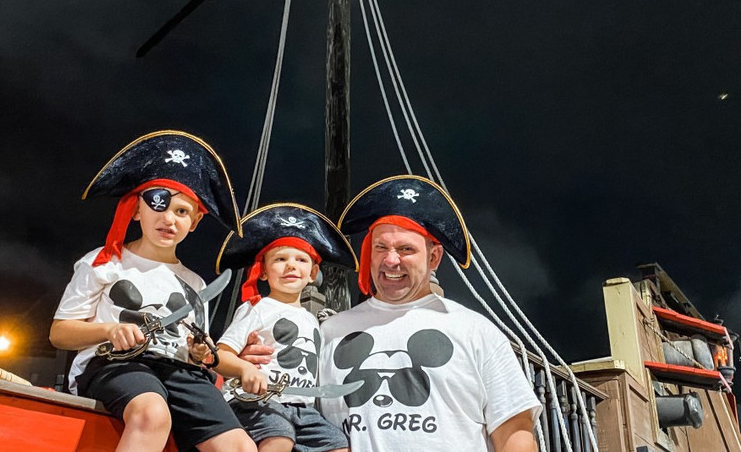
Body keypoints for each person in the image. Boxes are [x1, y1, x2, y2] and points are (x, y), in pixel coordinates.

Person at [241, 175, 541, 452]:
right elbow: (287, 401)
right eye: (380, 247)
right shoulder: (328, 331)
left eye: (406, 250)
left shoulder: (475, 330)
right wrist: (249, 361)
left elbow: (514, 431)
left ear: (434, 256)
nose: (391, 260)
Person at [49, 131, 256, 452]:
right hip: (116, 364)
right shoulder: (103, 262)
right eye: (159, 204)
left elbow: (200, 353)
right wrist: (109, 330)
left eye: (182, 211)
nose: (169, 219)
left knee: (240, 446)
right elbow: (59, 333)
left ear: (196, 221)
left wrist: (203, 353)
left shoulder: (195, 283)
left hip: (181, 371)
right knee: (152, 414)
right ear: (135, 209)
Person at [213, 203, 358, 452]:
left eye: (301, 260)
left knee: (338, 445)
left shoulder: (313, 320)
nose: (291, 266)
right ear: (262, 271)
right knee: (279, 437)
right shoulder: (257, 308)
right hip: (258, 400)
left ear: (312, 273)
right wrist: (245, 368)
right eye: (280, 259)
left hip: (302, 409)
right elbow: (219, 355)